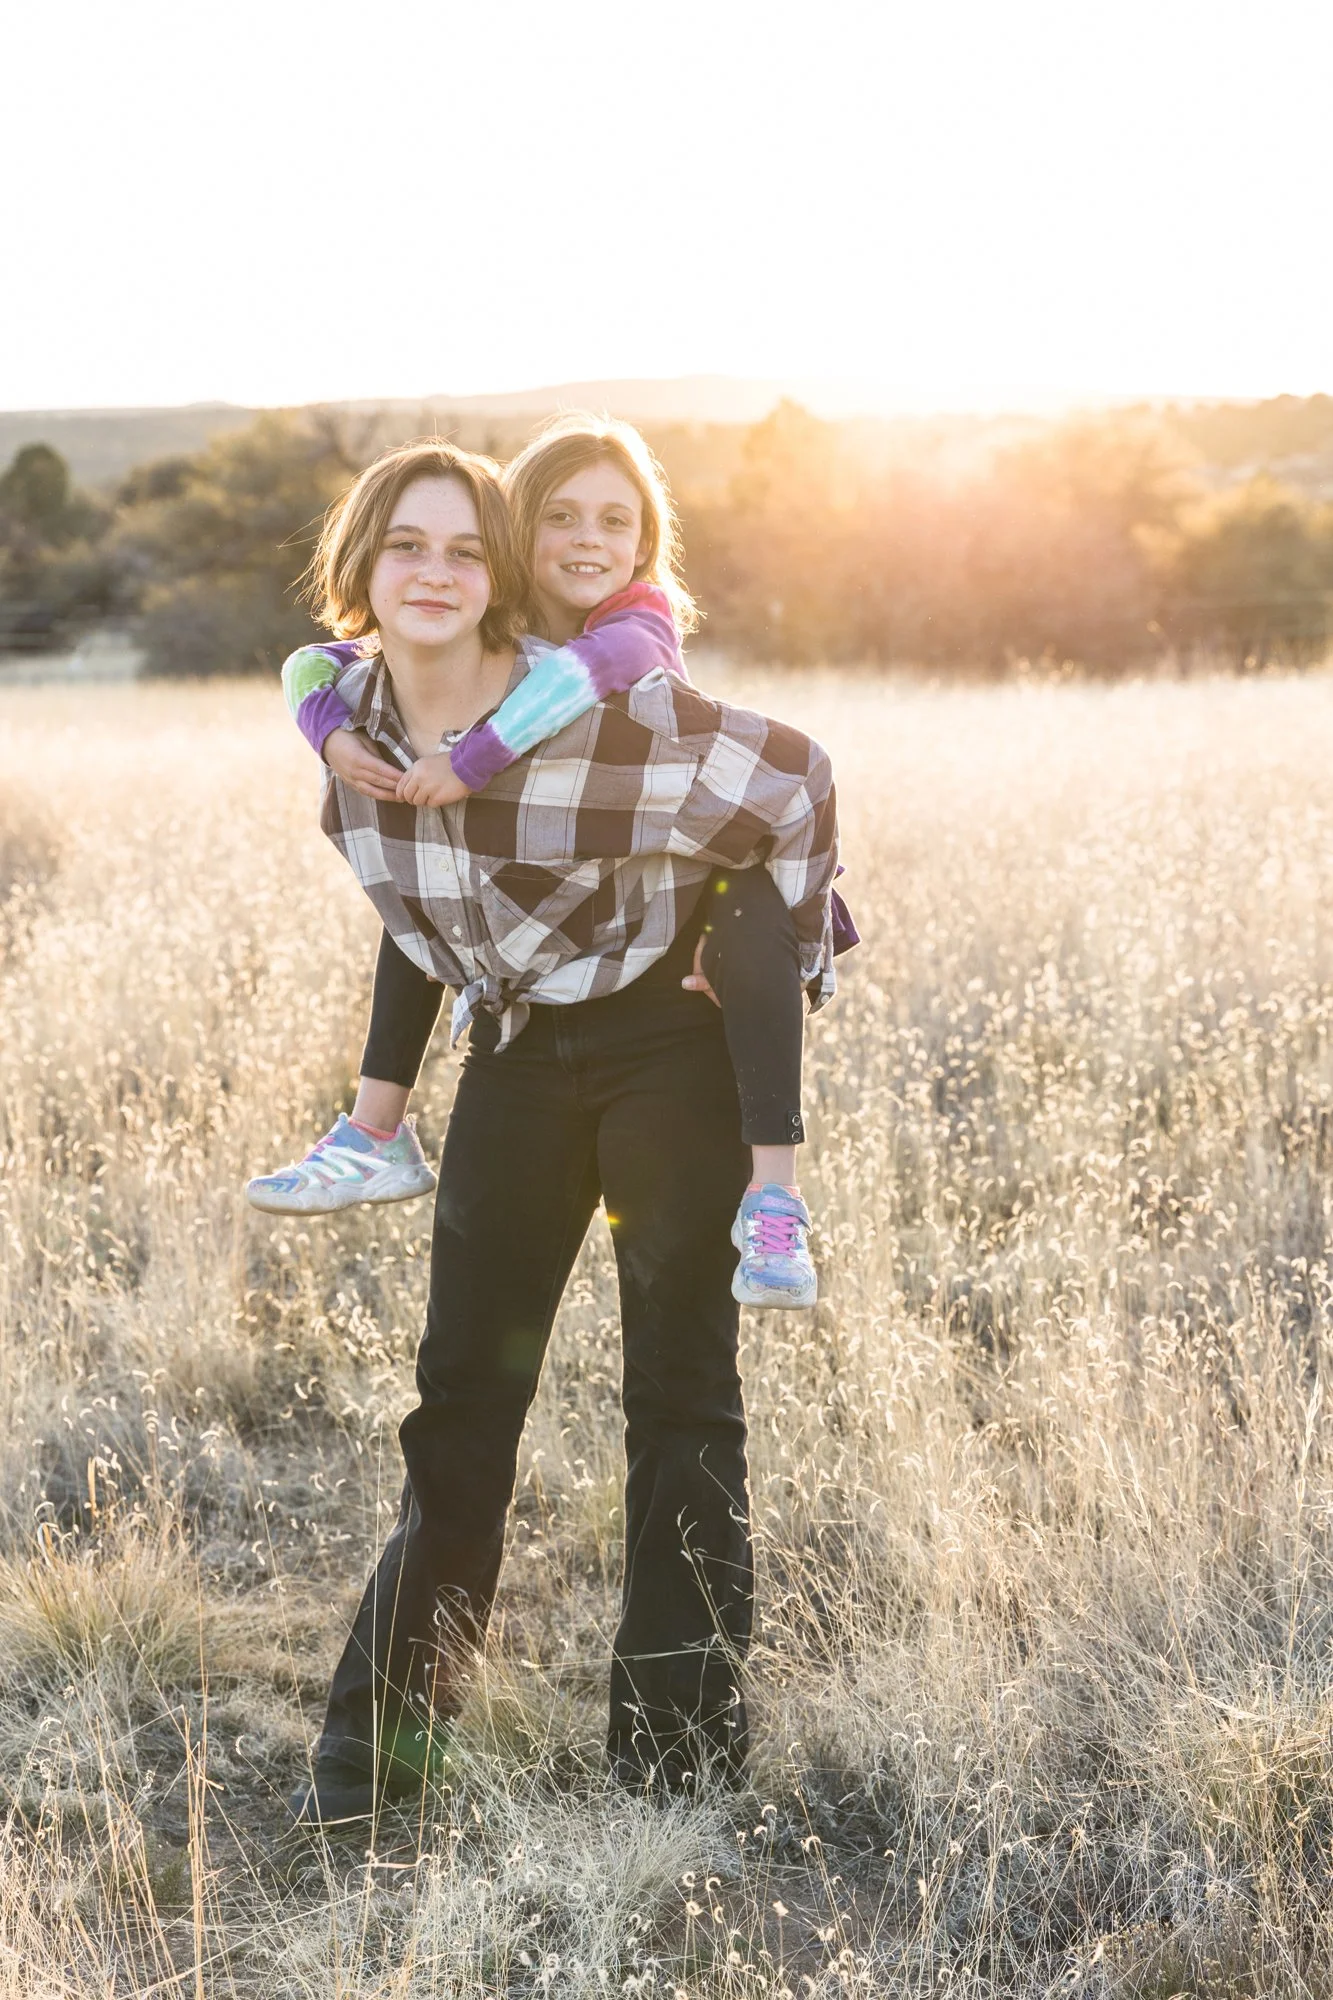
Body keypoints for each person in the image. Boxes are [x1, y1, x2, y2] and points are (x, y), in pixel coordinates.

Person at [271, 436, 843, 1821]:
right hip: (519, 1057)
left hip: (670, 1055)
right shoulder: (351, 725)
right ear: (363, 570)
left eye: (464, 549)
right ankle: (375, 1769)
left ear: (503, 571)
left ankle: (676, 1769)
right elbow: (325, 719)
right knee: (462, 1403)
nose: (437, 571)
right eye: (406, 547)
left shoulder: (612, 713)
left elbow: (792, 777)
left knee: (682, 1401)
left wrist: (773, 939)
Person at [246, 416, 857, 1307]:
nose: (587, 541)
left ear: (646, 542)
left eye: (615, 523)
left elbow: (568, 693)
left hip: (693, 900)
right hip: (537, 958)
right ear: (516, 532)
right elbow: (318, 658)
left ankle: (775, 1192)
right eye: (560, 518)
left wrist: (465, 763)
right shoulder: (474, 620)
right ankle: (374, 1131)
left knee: (748, 905)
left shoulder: (627, 631)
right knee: (426, 871)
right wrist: (328, 731)